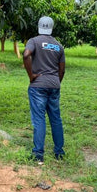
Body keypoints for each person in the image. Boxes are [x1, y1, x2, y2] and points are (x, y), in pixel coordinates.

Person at [23, 16, 66, 164]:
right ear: (51, 27)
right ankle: (59, 153)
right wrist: (55, 82)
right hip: (54, 86)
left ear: (39, 26)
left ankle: (38, 155)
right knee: (56, 119)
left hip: (38, 86)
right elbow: (62, 70)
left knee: (39, 119)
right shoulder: (58, 46)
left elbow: (26, 54)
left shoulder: (33, 41)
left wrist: (31, 76)